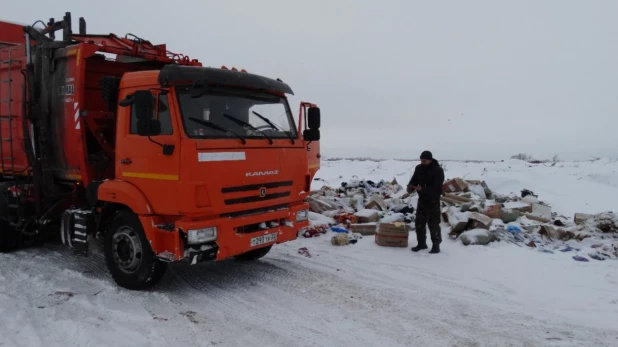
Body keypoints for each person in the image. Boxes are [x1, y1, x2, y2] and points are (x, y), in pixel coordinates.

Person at [407, 151, 445, 254]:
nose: (422, 162)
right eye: (421, 160)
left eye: (425, 160)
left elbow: (437, 187)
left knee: (433, 224)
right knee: (419, 223)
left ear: (430, 160)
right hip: (422, 200)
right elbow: (414, 180)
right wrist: (410, 186)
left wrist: (423, 189)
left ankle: (436, 245)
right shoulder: (419, 168)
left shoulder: (438, 170)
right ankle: (421, 244)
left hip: (433, 200)